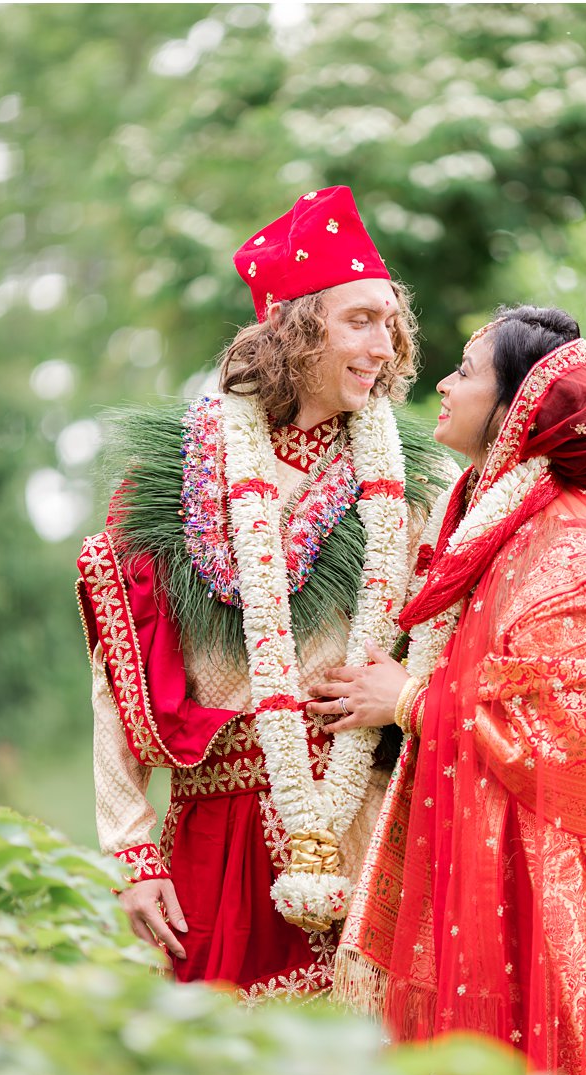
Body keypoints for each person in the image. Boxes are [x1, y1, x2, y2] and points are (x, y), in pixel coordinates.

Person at [325, 307, 586, 1075]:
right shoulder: (486, 520)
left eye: (466, 371)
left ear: (515, 411)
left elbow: (569, 725)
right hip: (483, 853)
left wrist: (408, 701)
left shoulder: (567, 542)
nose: (442, 382)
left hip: (543, 880)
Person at [77, 186, 452, 997]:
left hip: (369, 818)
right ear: (293, 328)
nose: (385, 345)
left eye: (392, 324)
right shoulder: (171, 477)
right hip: (215, 833)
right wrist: (132, 851)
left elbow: (461, 639)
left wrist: (409, 696)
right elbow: (119, 676)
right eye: (360, 320)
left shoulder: (419, 484)